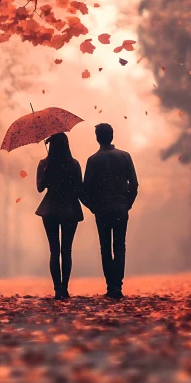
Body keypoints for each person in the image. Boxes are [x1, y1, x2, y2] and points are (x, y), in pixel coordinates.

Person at [83, 123, 138, 300]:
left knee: (105, 248)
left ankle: (110, 286)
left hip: (102, 211)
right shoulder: (125, 156)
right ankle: (118, 286)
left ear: (97, 138)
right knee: (120, 246)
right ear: (112, 136)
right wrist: (127, 203)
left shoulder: (93, 160)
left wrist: (93, 207)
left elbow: (86, 189)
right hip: (121, 208)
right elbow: (134, 184)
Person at [36, 132, 83, 300]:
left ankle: (57, 289)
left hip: (50, 209)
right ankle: (64, 288)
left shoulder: (44, 164)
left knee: (54, 250)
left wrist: (47, 174)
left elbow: (40, 188)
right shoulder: (74, 164)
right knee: (66, 250)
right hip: (70, 209)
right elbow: (79, 188)